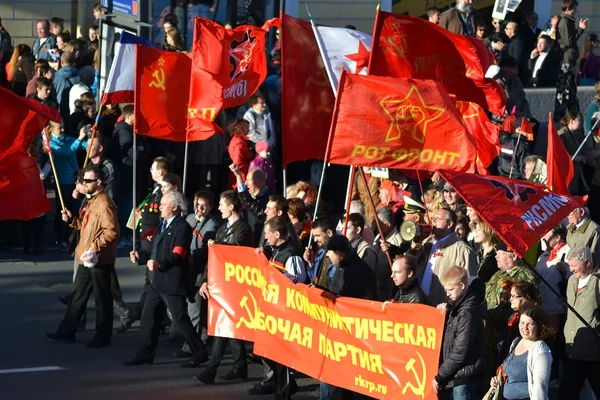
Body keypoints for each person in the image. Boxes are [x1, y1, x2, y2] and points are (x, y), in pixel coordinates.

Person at [125, 191, 208, 367]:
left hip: (171, 281)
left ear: (175, 207)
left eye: (164, 204)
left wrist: (159, 264)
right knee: (149, 318)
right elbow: (154, 252)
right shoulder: (163, 224)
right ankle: (145, 353)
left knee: (179, 319)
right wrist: (140, 256)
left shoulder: (182, 227)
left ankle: (199, 351)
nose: (160, 207)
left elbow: (178, 255)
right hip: (156, 282)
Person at [46, 167, 119, 347]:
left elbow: (112, 232)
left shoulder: (104, 204)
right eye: (84, 180)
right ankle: (66, 331)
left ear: (99, 183)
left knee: (102, 298)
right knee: (77, 295)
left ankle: (103, 336)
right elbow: (86, 227)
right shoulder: (91, 201)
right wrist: (72, 220)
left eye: (88, 181)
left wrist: (94, 248)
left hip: (98, 258)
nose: (83, 183)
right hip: (86, 257)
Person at [195, 190, 253, 383]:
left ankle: (214, 369)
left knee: (225, 327)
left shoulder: (243, 229)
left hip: (235, 286)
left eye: (221, 204)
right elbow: (212, 259)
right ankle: (239, 367)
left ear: (231, 206)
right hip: (220, 285)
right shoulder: (222, 228)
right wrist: (205, 279)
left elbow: (235, 252)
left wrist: (217, 245)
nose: (219, 207)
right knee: (226, 327)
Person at [176, 191, 219, 357]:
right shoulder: (188, 218)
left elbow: (205, 251)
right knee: (187, 307)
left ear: (210, 207)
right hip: (185, 269)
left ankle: (191, 346)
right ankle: (200, 336)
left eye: (204, 205)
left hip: (199, 270)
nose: (200, 208)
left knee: (195, 309)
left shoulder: (212, 226)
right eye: (197, 204)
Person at [433, 266, 486, 398]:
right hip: (452, 377)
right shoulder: (455, 307)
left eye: (451, 289)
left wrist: (440, 376)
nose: (447, 294)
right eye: (446, 290)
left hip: (463, 379)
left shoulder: (468, 313)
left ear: (462, 285)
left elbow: (460, 352)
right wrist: (442, 315)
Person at [412, 208, 477, 306]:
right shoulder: (427, 243)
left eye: (437, 219)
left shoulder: (463, 250)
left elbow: (468, 286)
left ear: (449, 224)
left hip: (443, 310)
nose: (433, 223)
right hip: (419, 307)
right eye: (432, 219)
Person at [559, 247, 600, 398]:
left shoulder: (598, 282)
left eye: (574, 265)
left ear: (588, 263)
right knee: (566, 394)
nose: (571, 269)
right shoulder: (571, 281)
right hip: (573, 351)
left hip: (594, 355)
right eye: (569, 265)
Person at [490, 306, 554, 400]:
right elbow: (510, 373)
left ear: (538, 326)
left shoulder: (541, 353)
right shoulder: (516, 342)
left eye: (530, 324)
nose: (525, 327)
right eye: (522, 323)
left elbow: (539, 390)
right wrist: (497, 380)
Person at [554, 0, 588, 119]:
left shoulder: (567, 21)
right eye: (574, 8)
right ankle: (562, 116)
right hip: (566, 61)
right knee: (566, 89)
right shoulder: (564, 22)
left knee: (571, 89)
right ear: (568, 8)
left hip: (569, 60)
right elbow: (569, 41)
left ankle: (573, 114)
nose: (576, 11)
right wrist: (580, 29)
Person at [304, 216, 336, 287]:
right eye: (314, 236)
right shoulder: (321, 253)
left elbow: (335, 286)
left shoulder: (340, 255)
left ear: (329, 233)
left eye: (318, 236)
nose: (315, 240)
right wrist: (311, 263)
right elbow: (314, 280)